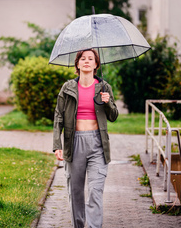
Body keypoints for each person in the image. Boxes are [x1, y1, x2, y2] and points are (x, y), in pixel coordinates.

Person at [53, 49, 119, 228]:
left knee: (95, 192)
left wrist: (108, 103)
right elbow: (59, 116)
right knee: (75, 193)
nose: (87, 61)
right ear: (77, 64)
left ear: (97, 64)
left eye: (91, 59)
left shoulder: (104, 88)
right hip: (74, 144)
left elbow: (113, 116)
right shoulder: (67, 88)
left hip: (98, 144)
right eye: (83, 59)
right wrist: (57, 145)